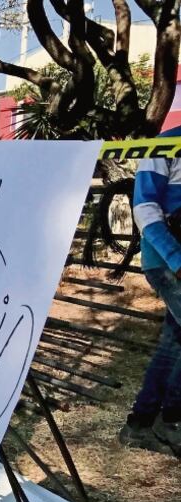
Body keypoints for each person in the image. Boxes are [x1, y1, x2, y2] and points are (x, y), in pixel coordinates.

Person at [119, 123, 181, 456]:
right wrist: (176, 258)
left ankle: (143, 423)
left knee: (175, 339)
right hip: (166, 260)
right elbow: (144, 206)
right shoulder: (167, 144)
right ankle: (168, 419)